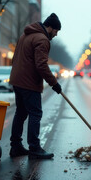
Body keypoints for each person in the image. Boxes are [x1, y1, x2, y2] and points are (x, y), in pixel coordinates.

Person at [9, 13, 62, 159]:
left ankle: (16, 146)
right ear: (50, 27)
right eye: (56, 31)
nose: (55, 35)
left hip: (17, 80)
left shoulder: (25, 35)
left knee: (20, 113)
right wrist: (54, 83)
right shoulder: (42, 39)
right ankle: (34, 147)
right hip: (29, 83)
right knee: (35, 113)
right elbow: (41, 65)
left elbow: (14, 59)